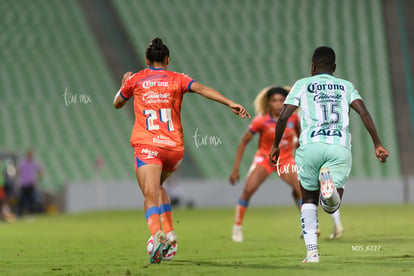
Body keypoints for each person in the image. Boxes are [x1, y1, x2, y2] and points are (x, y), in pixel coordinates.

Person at [113, 37, 250, 264]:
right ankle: (170, 234)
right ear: (168, 59)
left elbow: (117, 103)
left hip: (148, 146)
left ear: (146, 59)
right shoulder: (178, 78)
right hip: (174, 149)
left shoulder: (136, 79)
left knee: (149, 194)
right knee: (158, 186)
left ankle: (157, 235)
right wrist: (229, 103)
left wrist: (123, 83)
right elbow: (202, 88)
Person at [269, 46, 388, 263]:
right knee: (332, 204)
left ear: (313, 66)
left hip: (310, 147)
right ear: (334, 67)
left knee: (307, 200)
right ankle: (330, 193)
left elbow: (284, 116)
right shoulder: (346, 86)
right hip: (338, 146)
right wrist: (377, 143)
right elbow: (363, 112)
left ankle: (312, 253)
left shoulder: (302, 84)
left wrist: (276, 145)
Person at [229, 86, 301, 242]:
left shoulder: (294, 118)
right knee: (248, 190)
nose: (278, 104)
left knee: (301, 190)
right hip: (265, 159)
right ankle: (237, 226)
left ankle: (307, 227)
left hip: (286, 159)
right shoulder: (260, 120)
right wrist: (235, 169)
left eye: (281, 100)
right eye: (274, 100)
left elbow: (300, 139)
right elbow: (243, 143)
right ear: (268, 103)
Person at [16, 150, 43, 217]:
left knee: (31, 199)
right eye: (29, 155)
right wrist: (17, 180)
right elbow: (19, 172)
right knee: (22, 199)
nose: (30, 157)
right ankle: (20, 213)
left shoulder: (34, 163)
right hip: (24, 184)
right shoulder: (23, 163)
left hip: (31, 184)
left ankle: (31, 213)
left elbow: (41, 170)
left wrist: (38, 179)